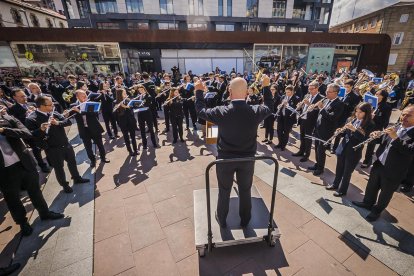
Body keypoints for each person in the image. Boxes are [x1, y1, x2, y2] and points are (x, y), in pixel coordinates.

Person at [194, 76, 273, 228]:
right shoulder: (255, 111)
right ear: (246, 93)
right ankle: (245, 219)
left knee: (224, 190)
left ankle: (222, 218)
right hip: (247, 159)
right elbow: (269, 106)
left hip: (225, 159)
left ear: (229, 92)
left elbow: (201, 111)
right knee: (245, 190)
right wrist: (266, 86)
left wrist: (198, 91)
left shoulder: (221, 111)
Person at [0, 106, 64, 236]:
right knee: (12, 199)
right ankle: (23, 223)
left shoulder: (8, 119)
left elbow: (26, 133)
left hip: (24, 163)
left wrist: (4, 130)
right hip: (4, 172)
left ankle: (45, 213)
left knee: (35, 190)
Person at [353, 106, 414, 221]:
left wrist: (396, 138)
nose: (404, 117)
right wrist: (376, 136)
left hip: (395, 169)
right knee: (372, 186)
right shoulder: (395, 126)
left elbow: (409, 151)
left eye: (408, 115)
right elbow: (383, 142)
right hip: (380, 162)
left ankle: (376, 211)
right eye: (403, 114)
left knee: (386, 192)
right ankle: (367, 203)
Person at [25, 95, 89, 193]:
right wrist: (41, 129)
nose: (52, 106)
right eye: (50, 104)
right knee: (59, 168)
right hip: (52, 148)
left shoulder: (53, 112)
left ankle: (77, 178)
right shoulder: (31, 119)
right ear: (42, 106)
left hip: (65, 143)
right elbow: (31, 135)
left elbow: (68, 122)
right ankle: (64, 185)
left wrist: (58, 123)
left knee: (72, 162)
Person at [326, 102, 375, 196]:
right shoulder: (350, 119)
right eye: (356, 111)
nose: (357, 114)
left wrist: (355, 130)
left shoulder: (370, 124)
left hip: (354, 151)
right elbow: (345, 134)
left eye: (360, 112)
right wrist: (339, 132)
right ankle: (335, 184)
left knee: (347, 172)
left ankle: (342, 190)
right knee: (339, 168)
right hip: (343, 148)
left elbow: (365, 139)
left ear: (366, 113)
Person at [8, 89, 51, 173]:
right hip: (29, 132)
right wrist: (26, 114)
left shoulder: (32, 104)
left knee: (46, 144)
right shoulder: (12, 109)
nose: (24, 98)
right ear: (14, 98)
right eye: (21, 96)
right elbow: (14, 121)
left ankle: (50, 160)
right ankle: (42, 165)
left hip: (41, 129)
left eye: (24, 95)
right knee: (36, 149)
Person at [308, 83, 345, 176]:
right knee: (316, 148)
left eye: (329, 92)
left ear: (336, 93)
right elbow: (320, 113)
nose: (326, 93)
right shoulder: (326, 100)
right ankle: (317, 164)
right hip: (318, 128)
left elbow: (333, 117)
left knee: (321, 150)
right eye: (326, 91)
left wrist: (321, 108)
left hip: (326, 131)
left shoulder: (339, 104)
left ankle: (321, 168)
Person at [70, 90, 110, 167]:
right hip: (84, 129)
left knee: (100, 145)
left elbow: (94, 113)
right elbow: (70, 116)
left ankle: (103, 157)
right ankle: (92, 160)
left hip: (94, 127)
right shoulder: (73, 105)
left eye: (85, 94)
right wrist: (67, 114)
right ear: (77, 97)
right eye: (82, 95)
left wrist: (80, 111)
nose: (85, 96)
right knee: (88, 147)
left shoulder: (91, 103)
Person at [293, 81, 324, 162]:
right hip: (303, 119)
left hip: (311, 121)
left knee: (308, 139)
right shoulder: (307, 95)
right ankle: (301, 151)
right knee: (302, 137)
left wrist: (309, 104)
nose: (309, 90)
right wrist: (300, 106)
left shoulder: (321, 98)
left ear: (317, 88)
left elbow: (319, 111)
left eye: (311, 89)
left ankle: (306, 155)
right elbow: (303, 107)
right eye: (309, 88)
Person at [360, 90, 392, 168]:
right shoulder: (370, 104)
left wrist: (375, 117)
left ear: (382, 96)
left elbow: (385, 122)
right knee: (360, 141)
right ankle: (357, 156)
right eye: (375, 93)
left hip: (375, 128)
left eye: (377, 94)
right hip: (365, 126)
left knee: (370, 146)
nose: (375, 95)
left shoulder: (386, 107)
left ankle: (366, 161)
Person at [332, 79, 362, 153]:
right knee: (333, 130)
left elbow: (353, 109)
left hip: (345, 117)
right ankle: (329, 143)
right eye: (344, 86)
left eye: (347, 87)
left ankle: (335, 147)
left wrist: (343, 104)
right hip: (337, 115)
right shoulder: (340, 93)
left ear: (352, 87)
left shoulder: (355, 96)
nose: (345, 88)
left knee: (339, 133)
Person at [113, 89, 139, 156]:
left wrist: (127, 106)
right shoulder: (116, 102)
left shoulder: (128, 100)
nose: (125, 94)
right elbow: (116, 114)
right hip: (123, 123)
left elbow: (134, 107)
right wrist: (118, 107)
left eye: (125, 93)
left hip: (131, 121)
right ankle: (130, 151)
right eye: (124, 93)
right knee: (126, 137)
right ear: (120, 95)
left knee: (133, 136)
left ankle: (135, 150)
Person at [275, 85, 300, 151]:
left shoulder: (296, 98)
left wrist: (288, 106)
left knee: (286, 132)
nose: (287, 94)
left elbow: (296, 110)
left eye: (288, 92)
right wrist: (279, 106)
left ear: (292, 92)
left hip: (289, 119)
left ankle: (283, 145)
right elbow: (279, 105)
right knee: (279, 131)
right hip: (281, 116)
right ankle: (280, 143)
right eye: (286, 92)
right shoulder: (283, 97)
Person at [135, 85, 159, 149]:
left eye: (142, 90)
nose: (141, 91)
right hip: (140, 115)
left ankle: (154, 143)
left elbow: (148, 105)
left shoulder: (148, 96)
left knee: (151, 129)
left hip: (147, 114)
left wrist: (140, 103)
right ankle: (144, 145)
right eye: (139, 90)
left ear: (144, 89)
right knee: (142, 130)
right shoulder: (138, 96)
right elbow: (135, 105)